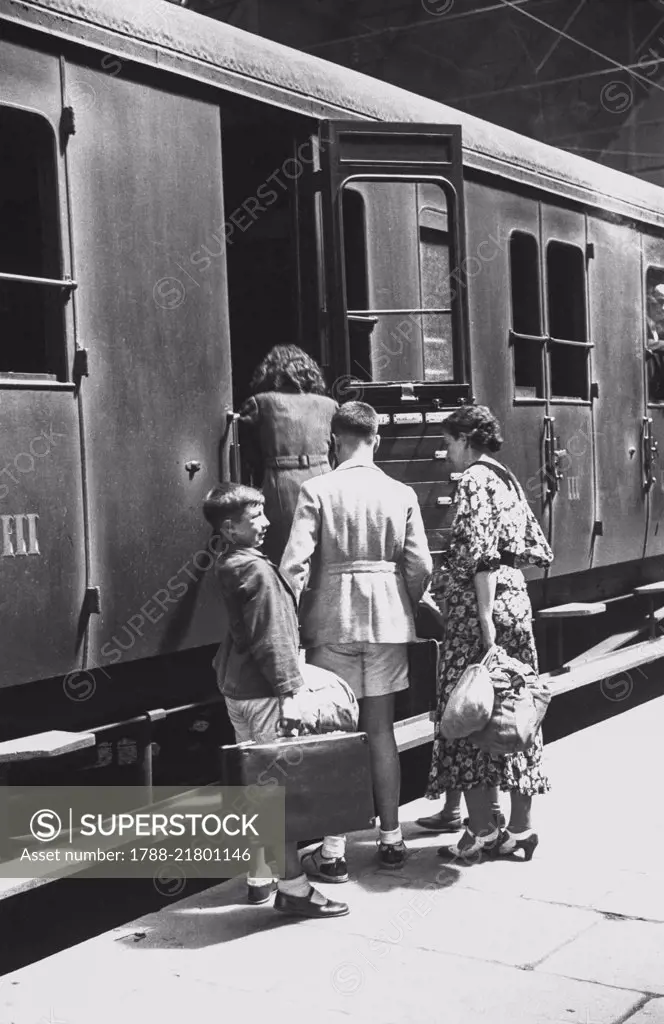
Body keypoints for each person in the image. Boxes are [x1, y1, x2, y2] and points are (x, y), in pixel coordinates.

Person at [280, 401, 433, 869]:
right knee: (381, 731)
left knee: (337, 734)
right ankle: (391, 839)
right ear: (376, 439)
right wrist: (403, 598)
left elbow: (293, 566)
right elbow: (421, 565)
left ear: (335, 440)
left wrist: (292, 616)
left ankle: (333, 850)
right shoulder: (401, 491)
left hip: (332, 624)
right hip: (387, 623)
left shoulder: (317, 489)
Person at [204, 482, 350, 918]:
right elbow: (273, 639)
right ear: (229, 528)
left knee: (257, 791)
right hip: (266, 694)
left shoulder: (230, 563)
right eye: (256, 519)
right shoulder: (258, 573)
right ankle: (295, 890)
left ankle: (259, 877)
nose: (267, 523)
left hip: (239, 691)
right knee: (281, 796)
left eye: (265, 514)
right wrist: (290, 694)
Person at [425, 405, 553, 862]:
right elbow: (539, 547)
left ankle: (480, 831)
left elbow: (480, 557)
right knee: (517, 711)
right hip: (515, 598)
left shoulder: (475, 480)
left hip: (485, 609)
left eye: (449, 444)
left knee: (469, 710)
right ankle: (519, 830)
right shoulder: (507, 478)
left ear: (464, 439)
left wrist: (483, 622)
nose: (446, 455)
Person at [239, 344, 337, 565]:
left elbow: (246, 453)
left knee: (285, 556)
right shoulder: (330, 405)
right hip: (325, 479)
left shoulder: (261, 403)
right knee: (324, 555)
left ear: (270, 371)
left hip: (281, 484)